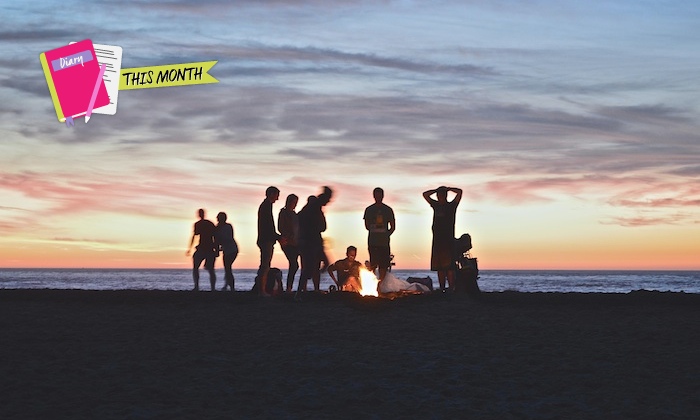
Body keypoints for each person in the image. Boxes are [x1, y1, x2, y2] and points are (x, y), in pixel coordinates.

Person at [423, 186, 463, 292]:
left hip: (448, 240)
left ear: (445, 196)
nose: (440, 197)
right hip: (437, 240)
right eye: (438, 195)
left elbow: (459, 192)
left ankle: (451, 288)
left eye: (442, 195)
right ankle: (442, 288)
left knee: (449, 267)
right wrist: (436, 190)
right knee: (439, 267)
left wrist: (449, 189)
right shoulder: (435, 205)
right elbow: (425, 194)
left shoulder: (451, 206)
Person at [297, 186, 333, 293]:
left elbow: (322, 226)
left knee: (320, 264)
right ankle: (300, 291)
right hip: (310, 242)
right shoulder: (314, 206)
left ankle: (312, 287)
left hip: (314, 241)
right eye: (329, 199)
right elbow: (321, 226)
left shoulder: (315, 207)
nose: (329, 201)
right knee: (309, 268)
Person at [363, 187, 395, 281]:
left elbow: (393, 226)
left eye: (379, 195)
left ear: (383, 196)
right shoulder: (369, 209)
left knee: (384, 264)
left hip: (384, 243)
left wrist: (386, 234)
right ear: (373, 196)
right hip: (373, 242)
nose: (378, 197)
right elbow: (366, 226)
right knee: (373, 264)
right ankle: (373, 283)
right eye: (376, 195)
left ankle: (380, 283)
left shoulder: (388, 210)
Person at [257, 186, 280, 296]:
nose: (277, 198)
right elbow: (268, 226)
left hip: (266, 239)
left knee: (265, 264)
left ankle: (261, 288)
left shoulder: (266, 206)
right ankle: (262, 290)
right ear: (271, 194)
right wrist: (277, 237)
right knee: (265, 265)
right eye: (276, 195)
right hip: (266, 240)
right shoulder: (266, 206)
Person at [186, 208, 217, 291]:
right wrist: (190, 248)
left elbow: (215, 236)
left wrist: (216, 248)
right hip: (204, 248)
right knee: (199, 268)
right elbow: (194, 236)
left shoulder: (206, 224)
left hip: (208, 248)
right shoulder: (203, 224)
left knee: (209, 269)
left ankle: (208, 288)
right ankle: (198, 286)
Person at [278, 194, 300, 293]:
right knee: (294, 264)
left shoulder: (295, 214)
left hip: (296, 242)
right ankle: (288, 287)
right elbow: (280, 227)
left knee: (294, 264)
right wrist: (288, 235)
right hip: (287, 242)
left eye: (296, 203)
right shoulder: (283, 213)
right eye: (293, 202)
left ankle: (290, 287)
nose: (294, 204)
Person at [214, 212, 238, 292]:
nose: (217, 219)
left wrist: (218, 248)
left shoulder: (227, 227)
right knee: (227, 268)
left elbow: (226, 238)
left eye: (218, 218)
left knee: (228, 268)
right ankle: (227, 286)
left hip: (231, 250)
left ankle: (231, 287)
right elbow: (217, 240)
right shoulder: (218, 228)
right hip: (228, 250)